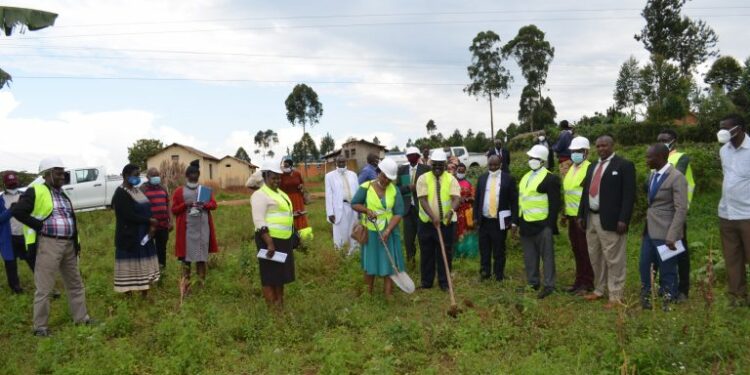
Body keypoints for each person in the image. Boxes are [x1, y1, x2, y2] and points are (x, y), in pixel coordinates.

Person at [12, 157, 94, 336]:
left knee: (75, 283)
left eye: (62, 172)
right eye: (58, 172)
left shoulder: (62, 194)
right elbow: (17, 211)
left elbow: (69, 219)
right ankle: (40, 327)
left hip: (68, 244)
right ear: (47, 174)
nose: (62, 176)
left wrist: (76, 243)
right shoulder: (36, 190)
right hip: (49, 243)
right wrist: (39, 226)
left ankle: (82, 318)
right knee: (45, 287)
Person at [577, 135, 636, 309]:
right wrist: (581, 214)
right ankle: (599, 289)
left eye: (605, 145)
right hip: (592, 218)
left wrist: (623, 219)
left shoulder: (624, 165)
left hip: (611, 220)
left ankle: (616, 295)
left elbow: (629, 195)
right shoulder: (593, 166)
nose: (601, 148)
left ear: (612, 145)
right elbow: (585, 192)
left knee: (614, 258)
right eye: (598, 146)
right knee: (595, 256)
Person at [639, 144, 688, 311]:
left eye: (649, 157)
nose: (646, 160)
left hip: (666, 232)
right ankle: (646, 297)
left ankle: (669, 298)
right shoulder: (653, 175)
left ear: (660, 157)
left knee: (668, 268)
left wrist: (673, 234)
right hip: (650, 230)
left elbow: (681, 208)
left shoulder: (676, 177)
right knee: (644, 264)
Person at [351, 158, 406, 297]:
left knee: (389, 261)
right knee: (371, 261)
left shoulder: (394, 190)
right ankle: (367, 294)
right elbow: (354, 203)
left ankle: (388, 294)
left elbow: (399, 212)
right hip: (371, 231)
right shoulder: (366, 187)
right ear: (378, 172)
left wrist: (388, 230)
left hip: (389, 231)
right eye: (384, 176)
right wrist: (366, 210)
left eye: (390, 179)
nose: (386, 181)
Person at [251, 159, 297, 307]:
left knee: (280, 276)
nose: (277, 180)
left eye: (279, 177)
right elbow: (258, 220)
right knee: (269, 276)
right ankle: (273, 310)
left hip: (283, 240)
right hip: (269, 241)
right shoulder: (260, 195)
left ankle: (280, 304)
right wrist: (269, 243)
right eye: (273, 177)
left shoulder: (280, 193)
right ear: (265, 177)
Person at [518, 145, 561, 299]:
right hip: (526, 223)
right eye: (530, 158)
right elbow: (522, 200)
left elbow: (555, 204)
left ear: (542, 160)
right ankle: (533, 282)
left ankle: (549, 285)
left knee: (547, 257)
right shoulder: (526, 177)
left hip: (542, 225)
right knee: (530, 256)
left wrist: (549, 225)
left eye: (535, 158)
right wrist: (518, 221)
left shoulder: (551, 178)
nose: (531, 160)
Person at [656, 129, 695, 301]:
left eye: (665, 139)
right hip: (659, 214)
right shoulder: (657, 159)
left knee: (680, 251)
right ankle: (666, 285)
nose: (662, 142)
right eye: (659, 140)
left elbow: (672, 177)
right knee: (662, 250)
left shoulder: (681, 157)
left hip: (676, 212)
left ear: (674, 141)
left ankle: (683, 290)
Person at [717, 114, 750, 307]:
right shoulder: (724, 151)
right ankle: (737, 296)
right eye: (720, 127)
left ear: (739, 129)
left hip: (747, 214)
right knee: (732, 257)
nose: (722, 131)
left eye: (725, 127)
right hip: (727, 213)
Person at [111, 164, 161, 295]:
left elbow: (147, 207)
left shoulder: (137, 190)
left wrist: (151, 226)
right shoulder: (120, 193)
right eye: (135, 175)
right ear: (126, 176)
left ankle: (145, 292)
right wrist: (149, 221)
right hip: (130, 235)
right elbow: (128, 215)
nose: (137, 178)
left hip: (144, 234)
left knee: (142, 264)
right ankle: (128, 294)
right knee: (129, 266)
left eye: (139, 175)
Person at [416, 149, 461, 290]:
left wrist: (451, 211)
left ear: (445, 165)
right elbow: (422, 200)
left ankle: (444, 282)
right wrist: (433, 216)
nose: (437, 168)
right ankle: (427, 282)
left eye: (440, 165)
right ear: (431, 164)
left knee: (445, 253)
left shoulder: (451, 179)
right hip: (427, 223)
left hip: (446, 224)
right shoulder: (423, 178)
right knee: (427, 252)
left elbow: (456, 198)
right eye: (434, 165)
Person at [171, 160, 218, 294]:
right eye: (191, 174)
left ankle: (201, 287)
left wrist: (204, 205)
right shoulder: (179, 191)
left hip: (202, 230)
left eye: (196, 174)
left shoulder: (205, 190)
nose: (193, 176)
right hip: (186, 232)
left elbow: (214, 205)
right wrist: (185, 204)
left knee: (201, 259)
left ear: (198, 175)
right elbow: (174, 210)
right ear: (186, 176)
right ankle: (186, 288)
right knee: (186, 261)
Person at [473, 155, 518, 281]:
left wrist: (514, 221)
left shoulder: (508, 179)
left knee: (499, 249)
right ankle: (485, 273)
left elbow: (514, 201)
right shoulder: (482, 179)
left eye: (495, 165)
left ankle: (499, 275)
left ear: (501, 165)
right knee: (484, 249)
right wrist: (475, 217)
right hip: (484, 220)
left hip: (500, 221)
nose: (493, 168)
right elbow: (477, 199)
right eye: (490, 165)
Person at [561, 136, 595, 295]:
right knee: (576, 249)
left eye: (579, 151)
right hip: (571, 217)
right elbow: (569, 194)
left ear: (586, 152)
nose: (575, 154)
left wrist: (582, 216)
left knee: (585, 250)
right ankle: (579, 280)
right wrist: (565, 214)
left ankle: (588, 283)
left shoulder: (590, 168)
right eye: (573, 151)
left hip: (583, 218)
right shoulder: (571, 169)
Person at [396, 147, 431, 269]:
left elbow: (430, 187)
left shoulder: (426, 169)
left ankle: (425, 263)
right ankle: (411, 263)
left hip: (422, 209)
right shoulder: (402, 170)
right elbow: (397, 189)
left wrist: (419, 187)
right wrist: (408, 188)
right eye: (408, 156)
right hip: (407, 210)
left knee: (423, 238)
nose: (410, 158)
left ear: (418, 156)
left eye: (413, 155)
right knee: (408, 240)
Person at [1, 171, 34, 293]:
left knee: (33, 260)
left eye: (14, 182)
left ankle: (45, 285)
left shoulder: (25, 196)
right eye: (10, 183)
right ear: (5, 184)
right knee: (10, 264)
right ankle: (16, 288)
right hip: (9, 238)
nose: (13, 185)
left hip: (26, 235)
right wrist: (10, 210)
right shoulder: (1, 200)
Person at [325, 155, 359, 255]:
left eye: (343, 162)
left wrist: (360, 208)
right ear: (336, 163)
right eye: (339, 162)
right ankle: (340, 254)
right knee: (340, 233)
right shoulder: (329, 176)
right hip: (340, 208)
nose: (341, 164)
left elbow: (357, 191)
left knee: (353, 230)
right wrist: (330, 212)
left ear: (346, 162)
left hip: (353, 207)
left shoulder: (353, 174)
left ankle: (354, 254)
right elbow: (329, 195)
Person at [140, 167, 172, 270]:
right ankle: (148, 271)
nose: (156, 178)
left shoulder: (163, 188)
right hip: (148, 226)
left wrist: (171, 221)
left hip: (163, 225)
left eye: (157, 175)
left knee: (162, 249)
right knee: (147, 248)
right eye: (153, 176)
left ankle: (161, 270)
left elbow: (168, 204)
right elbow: (138, 206)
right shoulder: (143, 189)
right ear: (147, 177)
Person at [454, 163, 478, 258]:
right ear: (456, 170)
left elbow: (474, 196)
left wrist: (467, 199)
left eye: (463, 170)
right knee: (456, 231)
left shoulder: (468, 183)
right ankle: (457, 253)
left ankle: (467, 252)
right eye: (459, 170)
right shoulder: (452, 182)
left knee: (467, 231)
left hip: (466, 212)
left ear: (465, 171)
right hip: (455, 211)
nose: (461, 172)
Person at [280, 158, 309, 231]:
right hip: (286, 198)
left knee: (299, 214)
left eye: (287, 165)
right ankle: (290, 230)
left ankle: (301, 230)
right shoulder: (281, 175)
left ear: (291, 166)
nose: (285, 167)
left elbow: (302, 183)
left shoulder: (297, 173)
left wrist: (301, 186)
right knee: (289, 214)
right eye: (284, 166)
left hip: (297, 197)